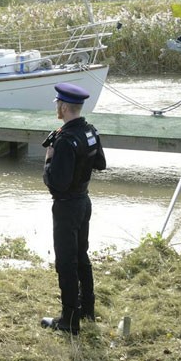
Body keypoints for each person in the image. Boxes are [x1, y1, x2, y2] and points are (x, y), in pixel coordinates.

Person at [41, 83, 106, 335]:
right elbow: (100, 163)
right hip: (84, 202)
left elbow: (57, 184)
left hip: (67, 206)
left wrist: (49, 159)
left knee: (66, 263)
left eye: (58, 104)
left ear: (64, 107)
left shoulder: (65, 140)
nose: (58, 107)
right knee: (81, 257)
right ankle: (87, 309)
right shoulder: (90, 131)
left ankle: (69, 320)